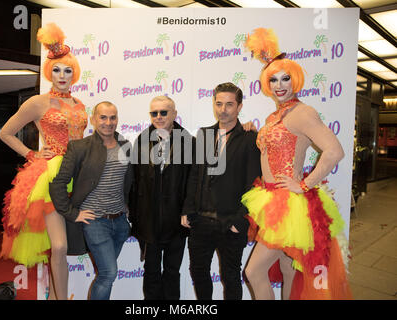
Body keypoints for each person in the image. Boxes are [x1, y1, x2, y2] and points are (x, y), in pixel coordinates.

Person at [242, 28, 352, 300]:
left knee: (254, 272)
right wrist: (254, 131)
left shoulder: (303, 112)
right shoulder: (272, 117)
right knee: (287, 268)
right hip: (268, 198)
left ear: (295, 81)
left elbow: (335, 151)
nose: (279, 85)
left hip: (287, 202)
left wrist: (303, 185)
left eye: (285, 79)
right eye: (274, 80)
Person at [0, 23, 88, 300]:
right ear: (50, 72)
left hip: (80, 173)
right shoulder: (38, 102)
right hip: (50, 175)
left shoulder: (80, 104)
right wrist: (31, 153)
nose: (62, 75)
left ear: (75, 74)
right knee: (59, 247)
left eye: (68, 70)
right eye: (57, 70)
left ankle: (53, 296)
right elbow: (5, 132)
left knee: (69, 246)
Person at [181, 82, 262, 300]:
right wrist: (187, 209)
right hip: (200, 222)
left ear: (239, 106)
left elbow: (254, 184)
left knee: (230, 277)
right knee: (198, 273)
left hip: (230, 223)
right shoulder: (204, 134)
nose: (222, 109)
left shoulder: (249, 139)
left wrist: (241, 221)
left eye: (229, 104)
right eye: (218, 103)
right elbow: (195, 176)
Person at [50, 101, 132, 300]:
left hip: (120, 223)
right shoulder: (79, 147)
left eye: (113, 117)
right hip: (95, 222)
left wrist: (129, 207)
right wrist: (72, 213)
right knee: (109, 273)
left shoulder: (126, 146)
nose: (108, 122)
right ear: (94, 119)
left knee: (107, 274)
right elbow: (58, 183)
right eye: (103, 117)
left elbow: (130, 181)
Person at [129, 96, 194, 300]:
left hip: (178, 221)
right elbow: (135, 181)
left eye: (163, 112)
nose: (158, 117)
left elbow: (193, 182)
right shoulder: (141, 140)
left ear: (174, 114)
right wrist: (134, 214)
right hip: (149, 221)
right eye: (154, 113)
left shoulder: (190, 142)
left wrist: (188, 211)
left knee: (172, 272)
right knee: (151, 272)